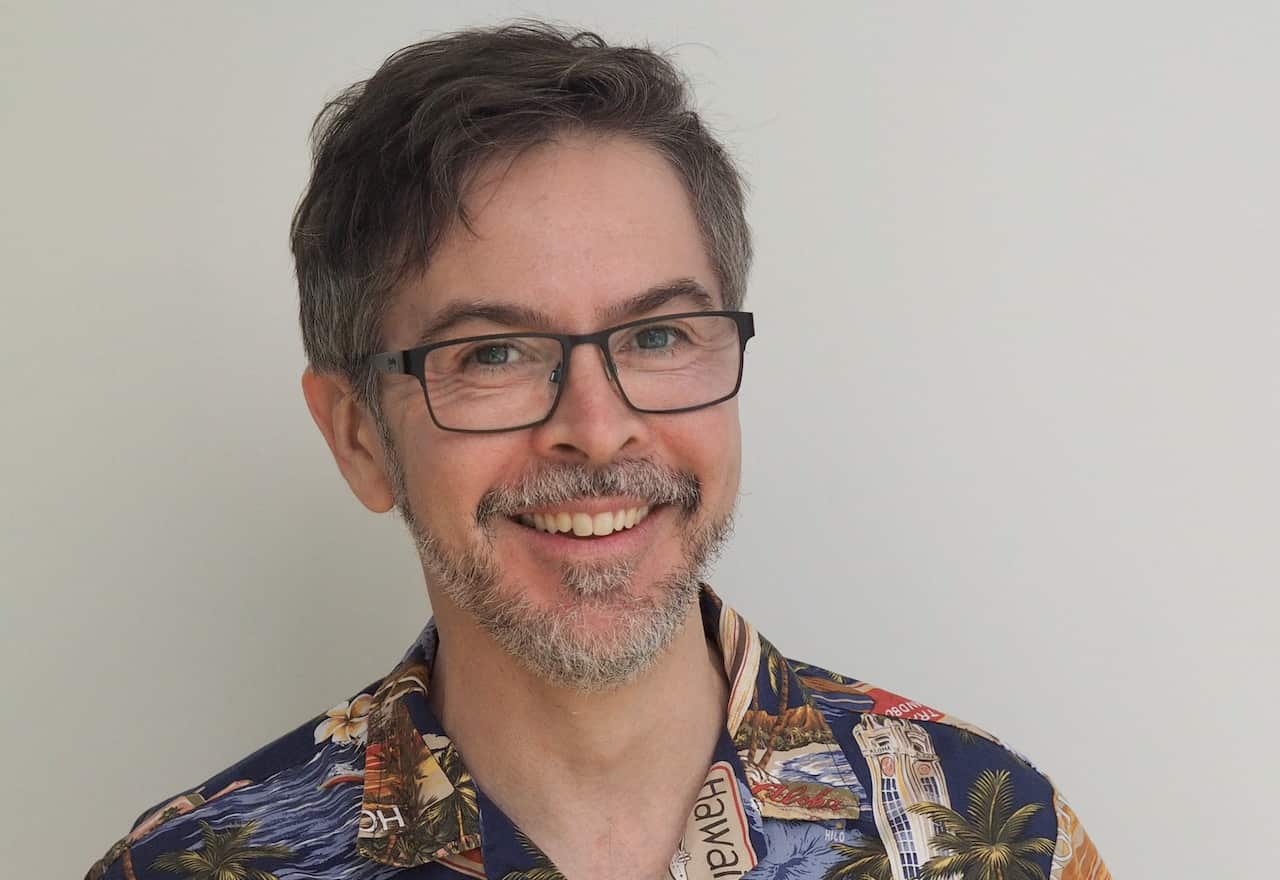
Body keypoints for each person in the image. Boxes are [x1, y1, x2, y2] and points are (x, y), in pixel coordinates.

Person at [87, 21, 1109, 880]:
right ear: (358, 436)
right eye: (492, 350)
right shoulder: (185, 865)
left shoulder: (990, 838)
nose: (597, 423)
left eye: (656, 335)